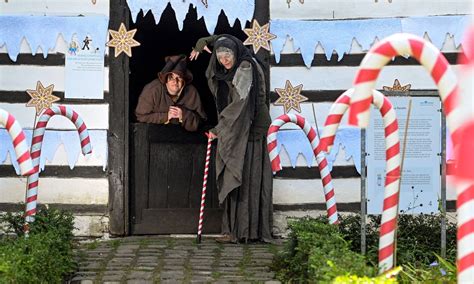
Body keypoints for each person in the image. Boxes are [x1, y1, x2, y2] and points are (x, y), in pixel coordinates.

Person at [190, 34, 273, 243]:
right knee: (236, 174)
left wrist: (219, 129)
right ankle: (233, 230)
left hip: (250, 129)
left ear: (235, 52)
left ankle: (245, 231)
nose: (224, 60)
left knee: (245, 177)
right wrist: (201, 44)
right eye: (219, 57)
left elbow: (239, 104)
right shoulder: (233, 64)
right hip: (238, 127)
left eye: (227, 55)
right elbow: (220, 37)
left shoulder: (245, 67)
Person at [135, 54, 207, 132]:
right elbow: (140, 117)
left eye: (178, 78)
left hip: (184, 139)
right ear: (165, 80)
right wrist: (166, 116)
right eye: (171, 78)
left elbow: (202, 121)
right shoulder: (152, 90)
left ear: (183, 81)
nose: (175, 81)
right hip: (155, 136)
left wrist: (184, 114)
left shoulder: (192, 92)